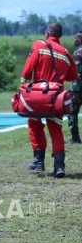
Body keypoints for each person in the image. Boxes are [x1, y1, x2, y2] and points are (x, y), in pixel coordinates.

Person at [21, 23, 78, 178]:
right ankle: (59, 166)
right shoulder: (66, 53)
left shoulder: (39, 45)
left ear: (47, 34)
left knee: (34, 124)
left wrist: (23, 84)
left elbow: (27, 69)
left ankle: (38, 161)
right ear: (59, 36)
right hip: (56, 97)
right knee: (56, 129)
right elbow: (73, 76)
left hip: (38, 94)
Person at [67, 31, 82, 144]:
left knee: (72, 112)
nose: (74, 40)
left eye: (75, 38)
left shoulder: (78, 53)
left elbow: (77, 74)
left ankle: (75, 138)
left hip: (78, 89)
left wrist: (75, 90)